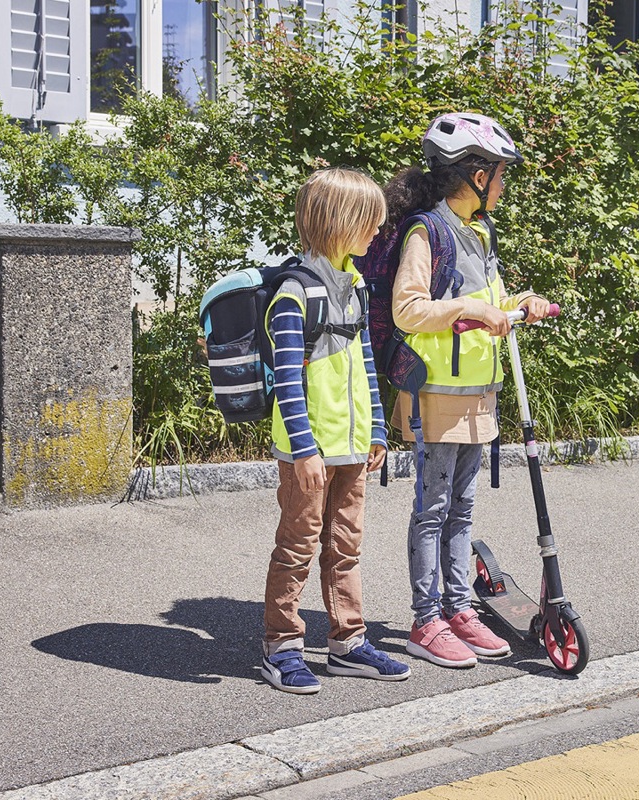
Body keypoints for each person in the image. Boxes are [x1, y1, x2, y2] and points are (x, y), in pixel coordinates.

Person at [385, 113, 553, 668]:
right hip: (436, 395)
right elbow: (408, 310)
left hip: (478, 393)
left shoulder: (480, 231)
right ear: (478, 177)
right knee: (432, 509)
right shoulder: (427, 232)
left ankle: (459, 609)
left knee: (462, 509)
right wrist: (473, 310)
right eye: (501, 175)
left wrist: (520, 303)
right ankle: (425, 620)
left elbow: (490, 303)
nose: (503, 186)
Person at [261, 167, 411, 693]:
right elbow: (286, 380)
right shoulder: (294, 294)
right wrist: (304, 450)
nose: (377, 232)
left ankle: (347, 643)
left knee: (345, 546)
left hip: (352, 446)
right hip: (309, 451)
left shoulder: (355, 286)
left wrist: (377, 429)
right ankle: (281, 646)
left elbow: (365, 360)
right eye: (370, 222)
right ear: (339, 222)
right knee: (298, 547)